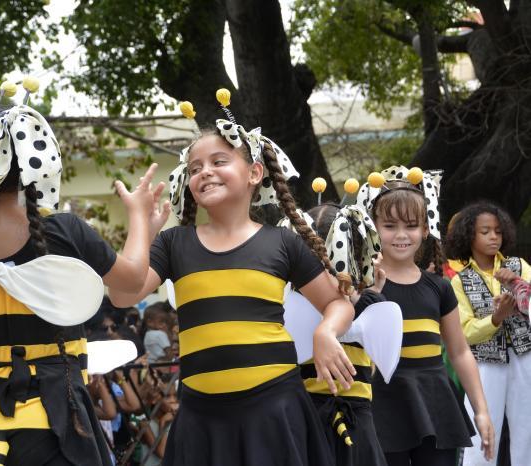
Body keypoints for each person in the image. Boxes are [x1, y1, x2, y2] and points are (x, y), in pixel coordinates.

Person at [0, 91, 166, 465]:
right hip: (57, 431)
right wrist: (138, 218)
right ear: (25, 159)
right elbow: (133, 280)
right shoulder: (64, 231)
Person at [110, 92, 355, 466]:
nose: (204, 171)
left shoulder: (282, 243)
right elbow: (122, 295)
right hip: (201, 418)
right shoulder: (174, 243)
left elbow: (337, 302)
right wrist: (140, 224)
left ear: (254, 173)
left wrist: (326, 332)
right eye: (195, 168)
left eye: (219, 161)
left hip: (274, 408)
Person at [358, 166, 494, 466]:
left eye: (410, 225)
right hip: (380, 404)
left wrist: (481, 410)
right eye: (390, 225)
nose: (401, 235)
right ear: (373, 227)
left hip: (435, 403)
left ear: (424, 228)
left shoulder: (439, 287)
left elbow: (459, 352)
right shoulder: (363, 288)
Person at [301, 202, 388, 466]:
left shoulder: (370, 305)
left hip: (349, 420)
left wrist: (371, 293)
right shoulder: (291, 304)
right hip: (315, 419)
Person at [445, 201, 531, 466]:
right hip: (484, 363)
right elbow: (464, 332)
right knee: (483, 430)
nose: (494, 237)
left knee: (527, 428)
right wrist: (496, 318)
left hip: (525, 356)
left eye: (498, 231)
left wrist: (516, 285)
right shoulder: (460, 280)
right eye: (485, 231)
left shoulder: (518, 266)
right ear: (469, 236)